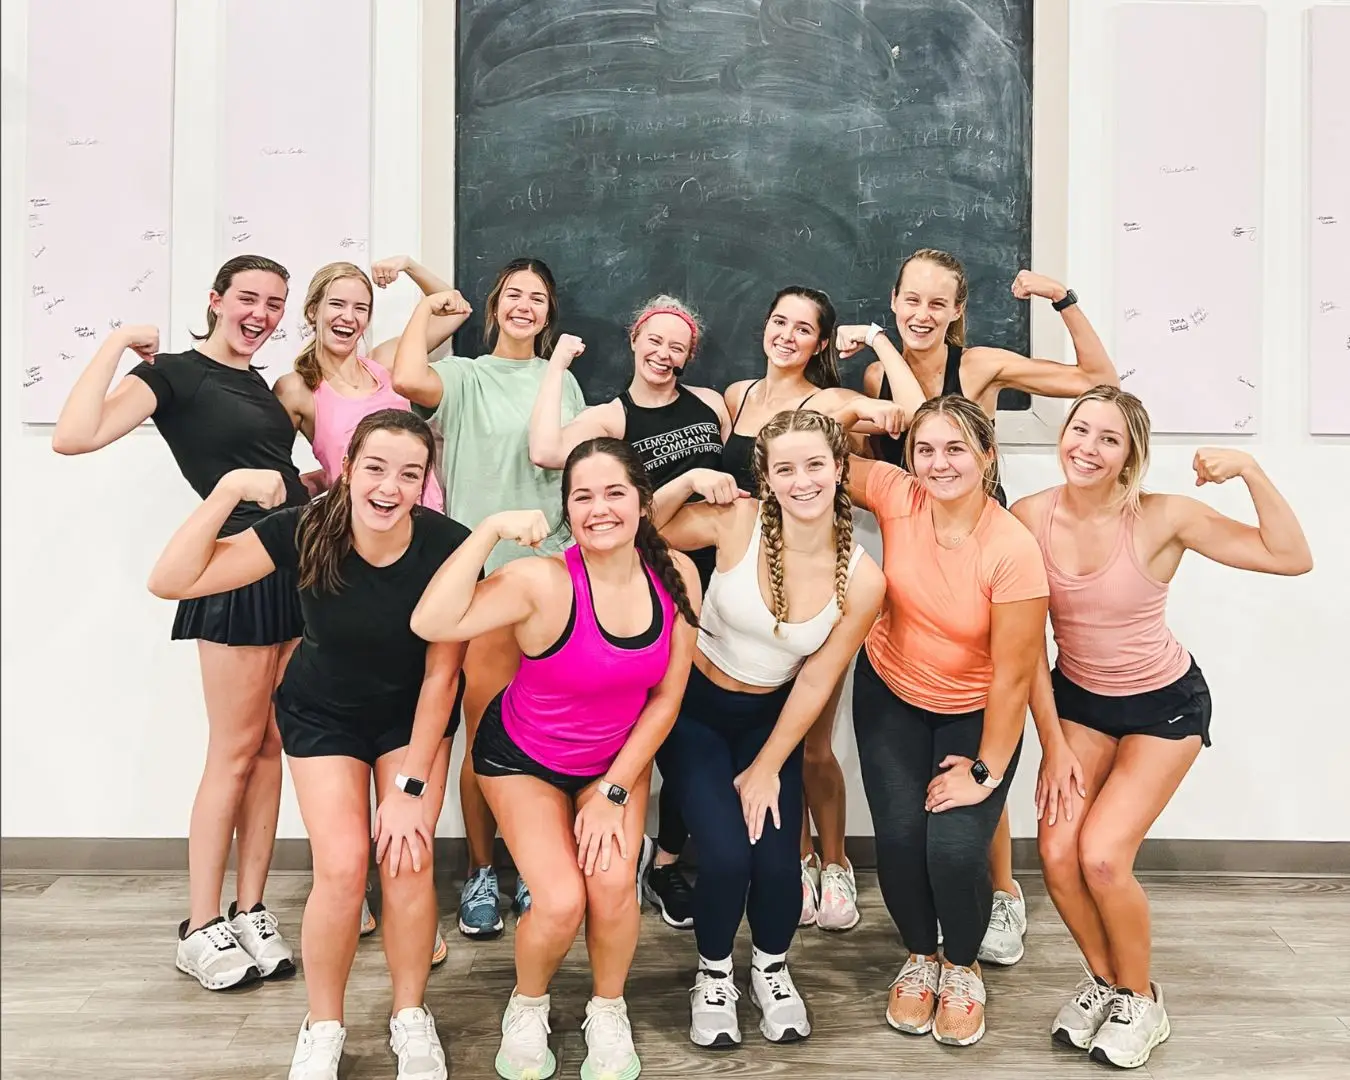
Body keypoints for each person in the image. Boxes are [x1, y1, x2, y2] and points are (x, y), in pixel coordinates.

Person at [147, 410, 470, 1080]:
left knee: (407, 862)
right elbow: (171, 580)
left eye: (409, 474)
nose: (390, 486)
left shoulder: (448, 544)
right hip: (322, 714)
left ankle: (411, 1016)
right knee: (346, 866)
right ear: (349, 467)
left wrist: (411, 787)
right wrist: (228, 491)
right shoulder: (303, 527)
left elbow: (443, 674)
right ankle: (323, 1024)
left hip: (411, 719)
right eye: (376, 467)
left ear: (424, 484)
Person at [1009, 386, 1311, 1069]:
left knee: (1104, 858)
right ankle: (1109, 985)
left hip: (1163, 707)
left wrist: (1251, 472)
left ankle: (1144, 1002)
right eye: (1080, 429)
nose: (1087, 446)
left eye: (1108, 439)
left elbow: (1291, 556)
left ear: (1130, 457)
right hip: (1079, 703)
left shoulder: (1164, 517)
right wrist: (1052, 744)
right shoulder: (1029, 517)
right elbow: (1024, 645)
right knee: (1057, 856)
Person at [845, 252, 1118, 965]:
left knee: (1001, 677)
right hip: (919, 527)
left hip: (982, 534)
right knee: (933, 745)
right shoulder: (879, 376)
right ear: (895, 299)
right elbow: (889, 438)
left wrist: (1064, 298)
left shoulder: (984, 364)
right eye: (911, 300)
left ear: (957, 311)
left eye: (939, 304)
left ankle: (1001, 892)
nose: (923, 315)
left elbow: (1098, 382)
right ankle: (950, 916)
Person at [409, 438, 701, 1080]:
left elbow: (667, 697)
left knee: (615, 888)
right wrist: (488, 530)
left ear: (643, 502)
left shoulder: (676, 573)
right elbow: (432, 621)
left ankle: (607, 1008)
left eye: (615, 492)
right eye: (583, 496)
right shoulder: (539, 579)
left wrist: (615, 792)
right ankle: (528, 1002)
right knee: (563, 900)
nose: (600, 508)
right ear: (566, 508)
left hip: (612, 764)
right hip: (522, 759)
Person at [52, 255, 306, 989]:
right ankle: (198, 926)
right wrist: (118, 342)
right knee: (232, 751)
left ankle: (250, 909)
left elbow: (265, 465)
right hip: (233, 572)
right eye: (247, 299)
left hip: (285, 565)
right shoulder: (177, 376)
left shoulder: (257, 381)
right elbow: (75, 436)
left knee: (270, 747)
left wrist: (306, 484)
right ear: (216, 301)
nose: (260, 314)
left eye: (274, 303)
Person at [649, 410, 886, 1048]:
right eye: (785, 468)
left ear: (840, 470)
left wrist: (765, 768)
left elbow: (813, 680)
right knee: (726, 856)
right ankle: (715, 974)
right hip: (694, 711)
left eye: (815, 465)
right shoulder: (739, 521)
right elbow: (645, 528)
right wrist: (692, 477)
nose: (802, 480)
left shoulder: (864, 577)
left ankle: (771, 970)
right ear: (767, 477)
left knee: (778, 865)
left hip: (768, 724)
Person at [847, 394, 1049, 1048]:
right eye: (926, 449)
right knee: (902, 841)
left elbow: (1016, 677)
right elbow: (808, 455)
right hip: (891, 695)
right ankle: (919, 956)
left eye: (956, 448)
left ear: (988, 457)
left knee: (956, 849)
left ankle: (961, 967)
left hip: (975, 709)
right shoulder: (898, 494)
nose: (938, 464)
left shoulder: (1012, 547)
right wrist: (852, 406)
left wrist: (986, 770)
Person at [392, 257, 585, 938]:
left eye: (538, 296)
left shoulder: (564, 383)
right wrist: (428, 308)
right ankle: (481, 869)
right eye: (513, 295)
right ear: (495, 305)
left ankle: (537, 870)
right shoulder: (467, 377)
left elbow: (571, 467)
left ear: (549, 312)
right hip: (485, 582)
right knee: (488, 735)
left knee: (548, 735)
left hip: (556, 580)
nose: (525, 306)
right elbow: (406, 376)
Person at [274, 256, 458, 951]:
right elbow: (283, 458)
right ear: (314, 310)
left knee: (420, 694)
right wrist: (308, 487)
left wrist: (409, 267)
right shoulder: (297, 384)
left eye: (359, 306)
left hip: (422, 540)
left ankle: (406, 899)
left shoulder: (385, 367)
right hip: (356, 547)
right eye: (336, 305)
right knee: (357, 689)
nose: (349, 317)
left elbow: (454, 308)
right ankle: (353, 890)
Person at [722, 285, 919, 936]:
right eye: (778, 320)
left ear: (821, 343)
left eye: (803, 328)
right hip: (749, 587)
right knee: (760, 734)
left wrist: (884, 344)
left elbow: (915, 415)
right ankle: (800, 854)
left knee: (810, 744)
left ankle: (835, 862)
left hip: (816, 582)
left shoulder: (831, 401)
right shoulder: (737, 396)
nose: (786, 334)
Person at [528, 293, 727, 931]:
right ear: (635, 339)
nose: (664, 355)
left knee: (696, 725)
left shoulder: (714, 405)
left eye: (678, 346)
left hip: (716, 582)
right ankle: (603, 853)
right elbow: (545, 451)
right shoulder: (612, 416)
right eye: (655, 341)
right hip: (653, 587)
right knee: (649, 718)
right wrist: (556, 365)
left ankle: (668, 857)